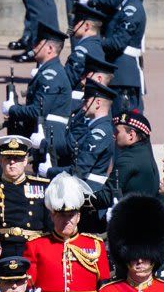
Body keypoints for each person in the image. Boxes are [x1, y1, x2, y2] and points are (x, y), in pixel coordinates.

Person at [46, 80, 116, 219]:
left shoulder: (99, 132)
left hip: (90, 193)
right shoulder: (94, 128)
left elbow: (80, 170)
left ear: (97, 103)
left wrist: (49, 171)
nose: (83, 107)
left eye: (86, 101)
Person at [0, 136, 50, 256]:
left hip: (33, 247)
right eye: (8, 158)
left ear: (25, 160)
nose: (12, 162)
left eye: (17, 158)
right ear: (1, 160)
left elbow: (50, 224)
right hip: (0, 248)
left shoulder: (42, 187)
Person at [2, 23, 71, 144]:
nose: (33, 47)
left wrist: (13, 109)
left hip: (50, 136)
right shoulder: (47, 71)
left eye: (38, 44)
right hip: (45, 132)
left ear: (50, 48)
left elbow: (38, 111)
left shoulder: (50, 75)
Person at [98, 0, 148, 113]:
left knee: (124, 121)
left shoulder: (131, 8)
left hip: (124, 73)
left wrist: (94, 43)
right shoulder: (126, 6)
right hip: (121, 71)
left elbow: (118, 43)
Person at [110, 110, 160, 198]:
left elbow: (108, 194)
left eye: (117, 132)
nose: (114, 135)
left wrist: (84, 198)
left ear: (131, 135)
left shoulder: (128, 159)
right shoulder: (146, 154)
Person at [66, 2, 110, 89]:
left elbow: (69, 78)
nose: (72, 25)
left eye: (76, 22)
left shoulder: (82, 49)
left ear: (86, 26)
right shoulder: (96, 45)